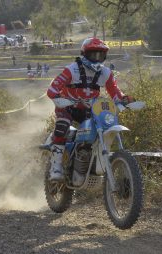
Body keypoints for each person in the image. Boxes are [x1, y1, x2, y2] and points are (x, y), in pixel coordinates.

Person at [46, 37, 134, 181]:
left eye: (100, 55)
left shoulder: (106, 73)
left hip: (89, 109)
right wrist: (58, 98)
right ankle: (56, 167)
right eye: (93, 54)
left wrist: (125, 100)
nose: (97, 58)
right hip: (68, 107)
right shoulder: (71, 70)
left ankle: (88, 162)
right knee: (62, 126)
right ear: (85, 54)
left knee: (100, 130)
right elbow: (53, 88)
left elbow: (116, 93)